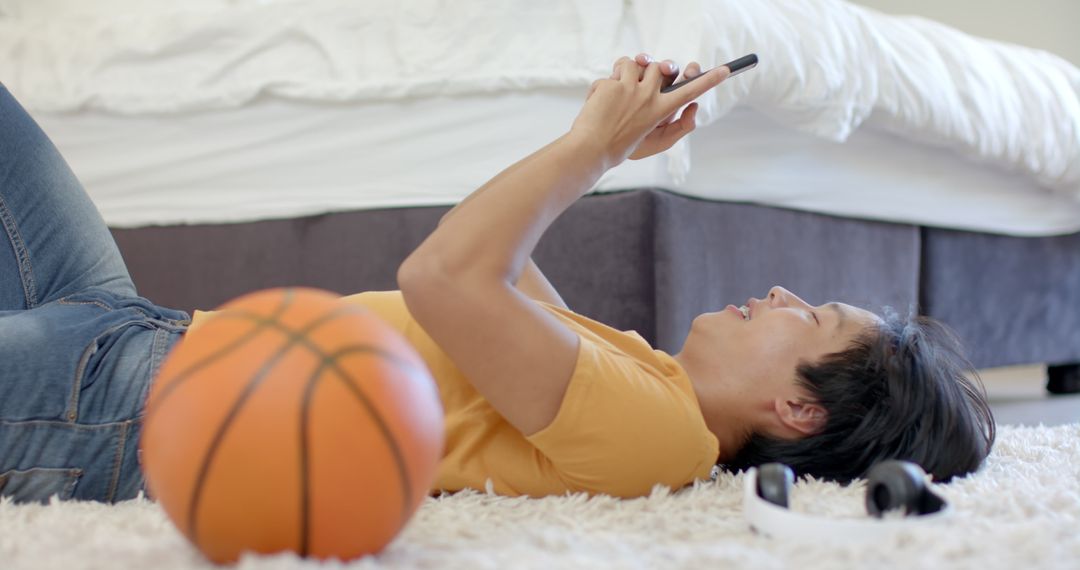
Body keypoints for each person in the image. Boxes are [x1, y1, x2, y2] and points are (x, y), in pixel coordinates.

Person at [0, 54, 995, 504]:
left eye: (809, 316)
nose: (779, 295)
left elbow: (440, 275)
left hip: (126, 411)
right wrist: (608, 145)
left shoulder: (660, 438)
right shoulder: (646, 378)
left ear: (798, 408)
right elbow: (496, 263)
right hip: (137, 329)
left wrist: (588, 152)